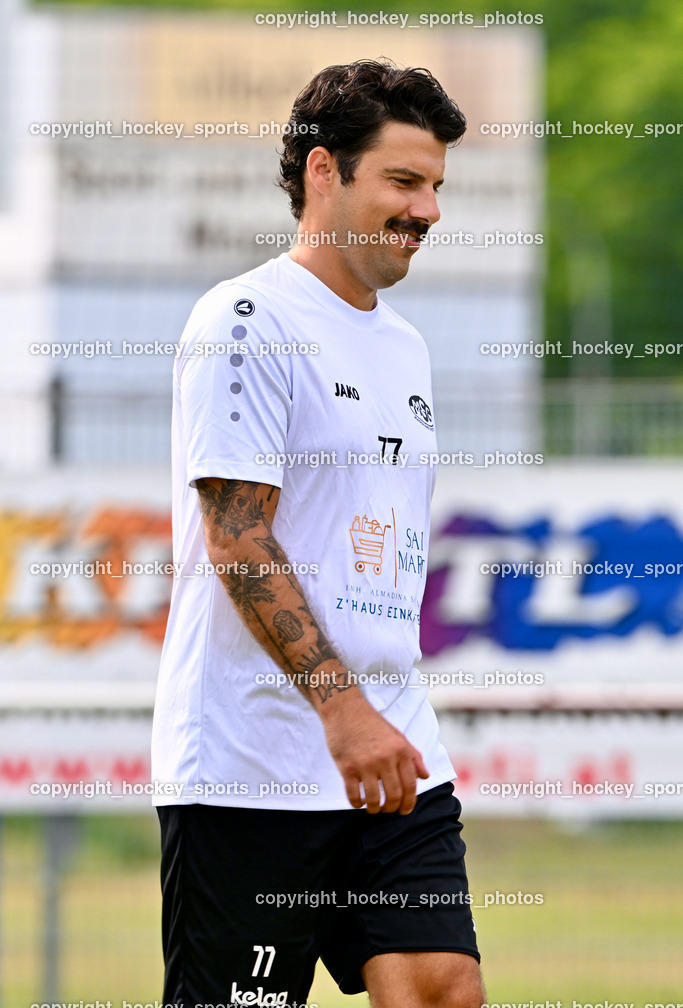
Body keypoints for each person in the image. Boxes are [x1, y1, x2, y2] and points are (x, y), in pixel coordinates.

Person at [151, 58, 484, 1008]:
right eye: (404, 181)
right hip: (253, 765)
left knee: (441, 990)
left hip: (395, 754)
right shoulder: (245, 321)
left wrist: (370, 714)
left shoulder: (405, 345)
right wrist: (341, 712)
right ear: (323, 171)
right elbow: (237, 540)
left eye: (436, 188)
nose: (426, 211)